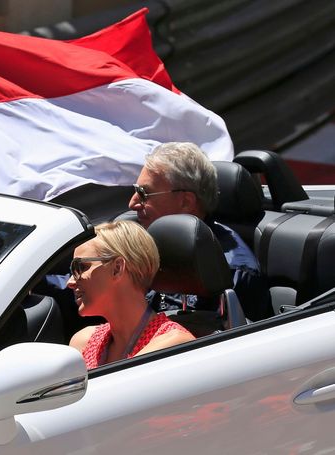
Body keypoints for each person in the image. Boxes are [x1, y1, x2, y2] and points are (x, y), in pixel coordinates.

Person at [127, 142, 271, 320]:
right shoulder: (148, 245)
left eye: (144, 193)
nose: (132, 203)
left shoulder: (227, 275)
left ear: (186, 201)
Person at [68, 220, 194, 368]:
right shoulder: (83, 341)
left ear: (117, 268)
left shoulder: (174, 343)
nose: (70, 282)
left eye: (81, 267)